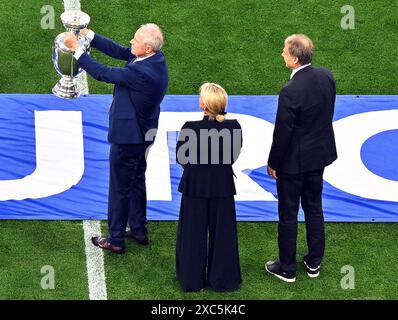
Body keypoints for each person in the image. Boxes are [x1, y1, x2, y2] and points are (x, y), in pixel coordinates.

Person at [64, 24, 168, 254]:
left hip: (129, 137)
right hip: (144, 132)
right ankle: (139, 229)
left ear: (148, 47)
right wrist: (89, 35)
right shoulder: (156, 60)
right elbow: (121, 51)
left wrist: (76, 51)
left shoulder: (140, 73)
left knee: (120, 187)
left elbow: (104, 73)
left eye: (136, 39)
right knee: (137, 178)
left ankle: (115, 239)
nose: (131, 42)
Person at [265, 34, 337, 282]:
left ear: (295, 58)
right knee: (314, 208)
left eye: (284, 51)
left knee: (288, 213)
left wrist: (273, 162)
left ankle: (287, 268)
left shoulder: (290, 91)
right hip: (318, 158)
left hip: (293, 164)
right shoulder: (326, 76)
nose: (282, 54)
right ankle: (314, 262)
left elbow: (282, 133)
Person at [175, 83, 242, 292]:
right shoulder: (234, 127)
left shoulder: (190, 127)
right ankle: (223, 280)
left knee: (192, 235)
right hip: (222, 187)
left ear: (203, 104)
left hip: (194, 187)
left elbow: (181, 158)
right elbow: (233, 156)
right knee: (223, 236)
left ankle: (191, 280)